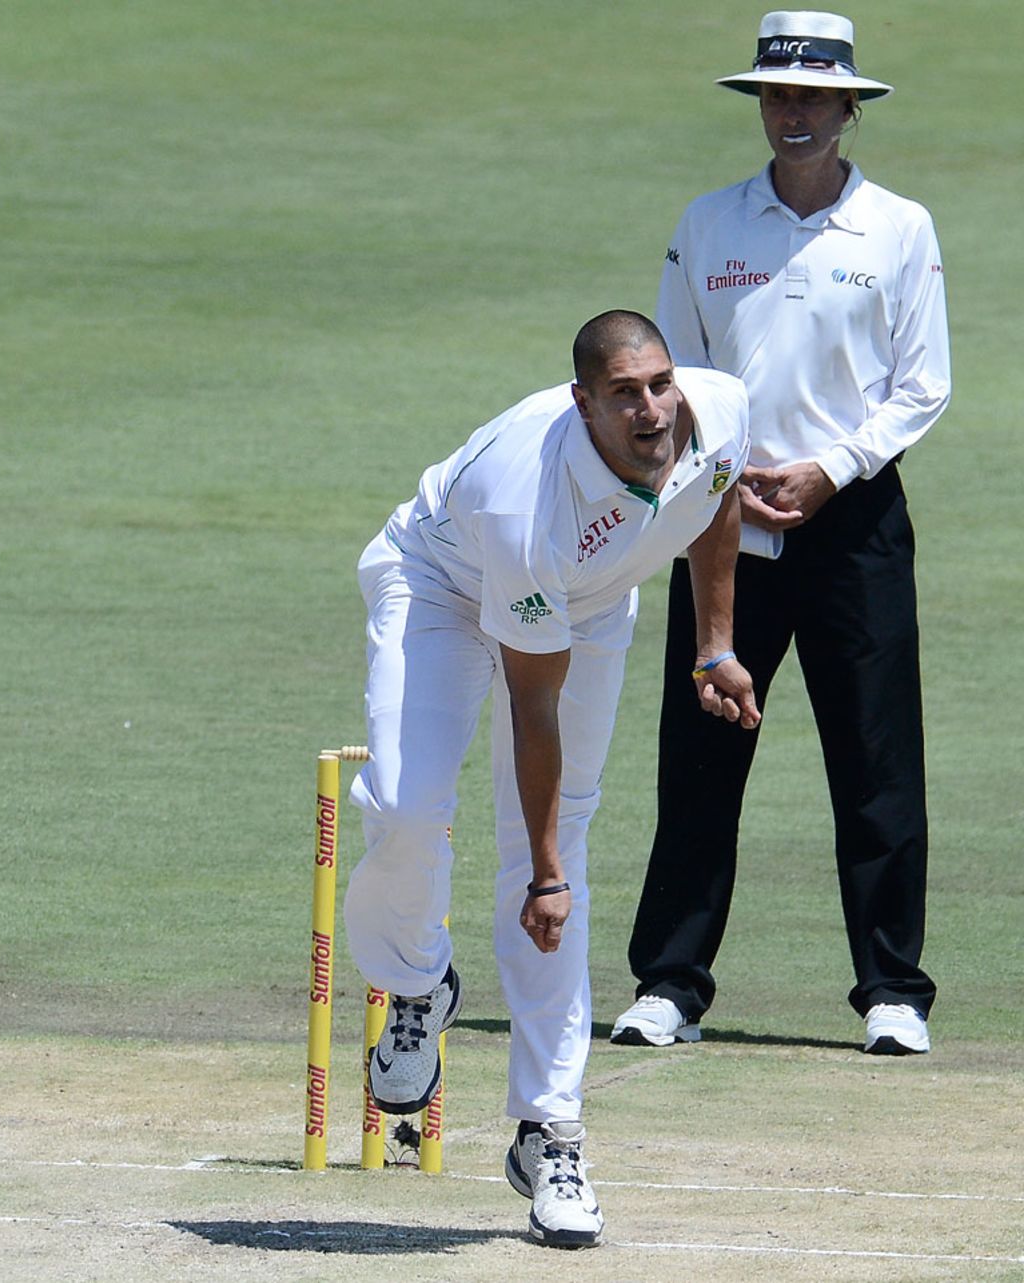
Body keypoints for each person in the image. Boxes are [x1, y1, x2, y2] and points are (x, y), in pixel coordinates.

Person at [343, 310, 760, 1249]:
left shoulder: (722, 407)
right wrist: (542, 872)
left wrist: (714, 647)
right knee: (411, 809)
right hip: (441, 586)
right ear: (584, 405)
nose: (652, 409)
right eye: (624, 395)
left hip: (592, 601)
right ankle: (416, 987)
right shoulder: (524, 504)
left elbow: (717, 501)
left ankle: (549, 1131)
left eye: (658, 384)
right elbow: (533, 709)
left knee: (564, 842)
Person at [612, 13, 951, 1057]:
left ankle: (892, 988)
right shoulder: (711, 222)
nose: (792, 114)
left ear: (850, 108)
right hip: (726, 522)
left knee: (877, 759)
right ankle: (670, 983)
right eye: (776, 96)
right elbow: (668, 383)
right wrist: (725, 476)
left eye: (811, 98)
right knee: (703, 754)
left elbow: (923, 387)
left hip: (855, 524)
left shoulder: (899, 228)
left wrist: (827, 468)